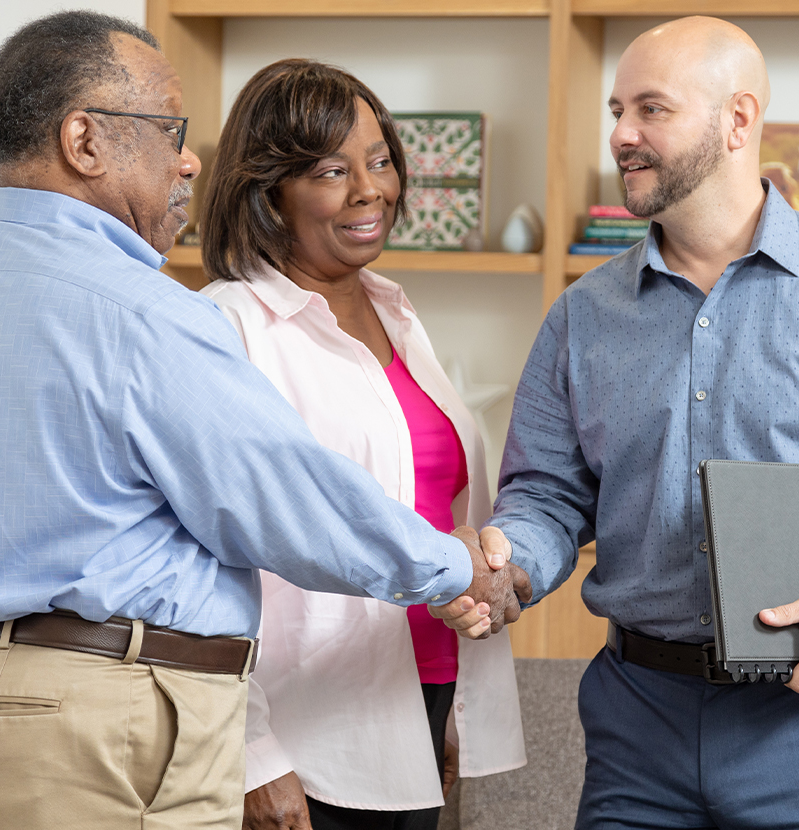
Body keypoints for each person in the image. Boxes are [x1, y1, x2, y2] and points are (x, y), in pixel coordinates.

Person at [0, 12, 526, 830]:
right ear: (83, 142)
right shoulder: (147, 312)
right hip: (118, 714)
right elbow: (283, 499)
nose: (188, 158)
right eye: (168, 129)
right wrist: (452, 569)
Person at [483, 15, 799, 829]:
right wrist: (507, 565)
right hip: (635, 723)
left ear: (737, 119)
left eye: (650, 109)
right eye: (617, 110)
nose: (622, 134)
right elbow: (547, 497)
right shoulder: (583, 316)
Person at [199, 59, 526, 830]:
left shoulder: (398, 317)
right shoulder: (227, 327)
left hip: (424, 697)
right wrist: (253, 755)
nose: (369, 190)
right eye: (330, 171)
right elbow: (198, 562)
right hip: (309, 729)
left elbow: (435, 504)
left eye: (380, 162)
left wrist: (453, 716)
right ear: (267, 191)